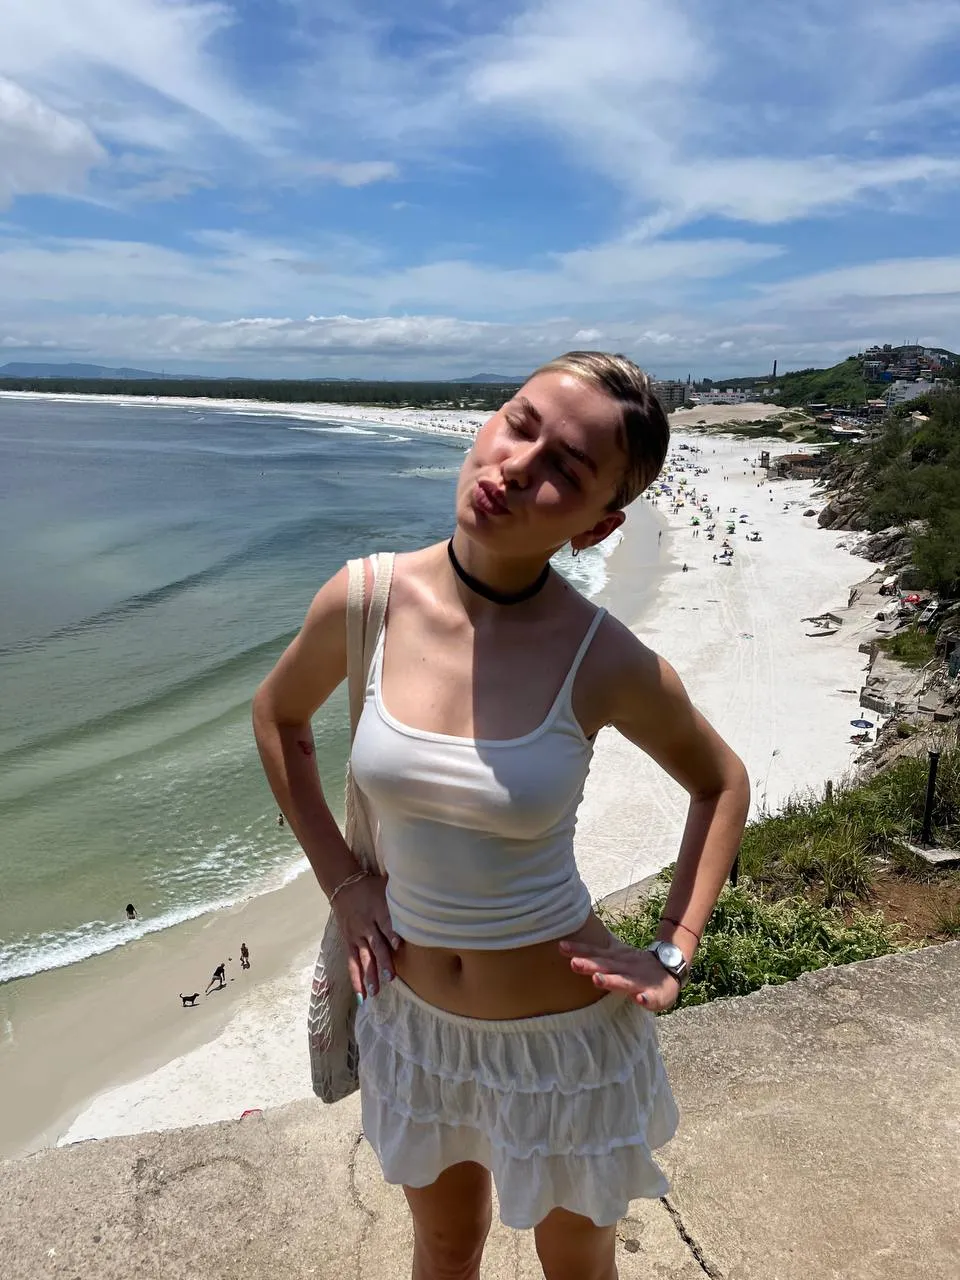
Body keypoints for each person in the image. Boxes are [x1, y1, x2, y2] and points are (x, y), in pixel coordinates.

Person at [253, 351, 749, 1280]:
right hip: (415, 1030)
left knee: (576, 1264)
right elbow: (278, 719)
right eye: (519, 424)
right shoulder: (366, 600)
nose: (518, 466)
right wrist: (345, 885)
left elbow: (721, 783)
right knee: (444, 1250)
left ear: (597, 527)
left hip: (564, 1046)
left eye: (566, 467)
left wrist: (674, 949)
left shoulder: (599, 656)